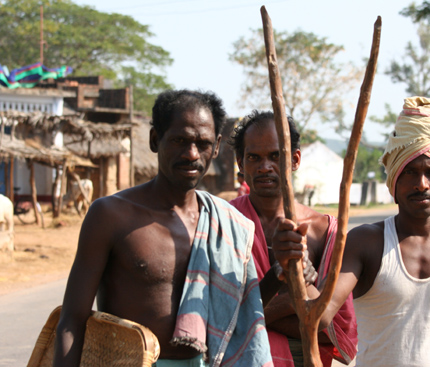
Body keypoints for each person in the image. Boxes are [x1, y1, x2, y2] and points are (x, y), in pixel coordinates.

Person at [273, 97, 430, 366]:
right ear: (393, 183)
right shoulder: (366, 243)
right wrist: (296, 268)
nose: (421, 184)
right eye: (410, 173)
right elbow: (320, 316)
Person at [53, 90, 273, 367]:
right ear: (155, 139)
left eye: (202, 143)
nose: (191, 154)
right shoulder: (110, 215)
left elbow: (237, 308)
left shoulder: (226, 221)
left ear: (216, 147)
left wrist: (280, 274)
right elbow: (72, 319)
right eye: (180, 140)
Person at [228, 110, 357, 367]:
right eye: (254, 157)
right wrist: (290, 300)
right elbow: (219, 317)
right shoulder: (224, 221)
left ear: (295, 159)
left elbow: (326, 324)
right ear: (241, 163)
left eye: (276, 156)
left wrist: (252, 313)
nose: (265, 167)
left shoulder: (323, 230)